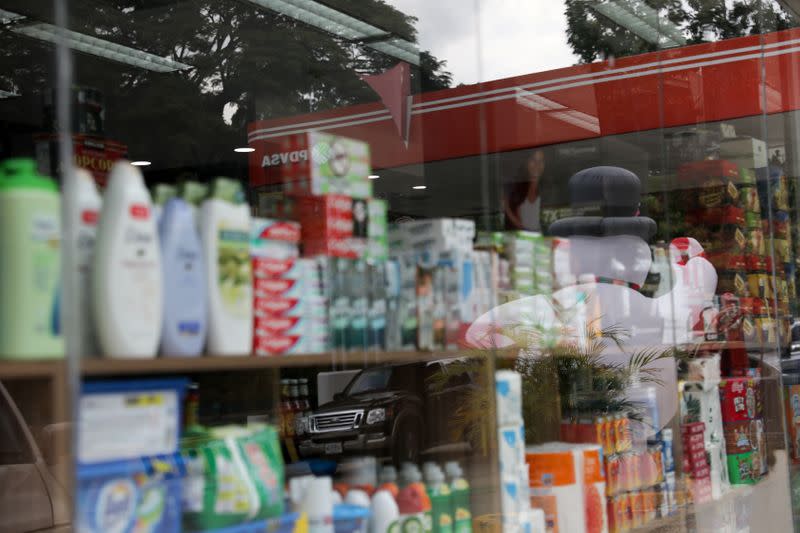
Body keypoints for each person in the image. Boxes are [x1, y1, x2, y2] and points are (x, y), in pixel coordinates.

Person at [504, 149, 545, 231]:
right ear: (526, 163)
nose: (537, 164)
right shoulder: (518, 190)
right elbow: (519, 225)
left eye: (541, 161)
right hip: (524, 240)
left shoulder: (548, 190)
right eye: (533, 160)